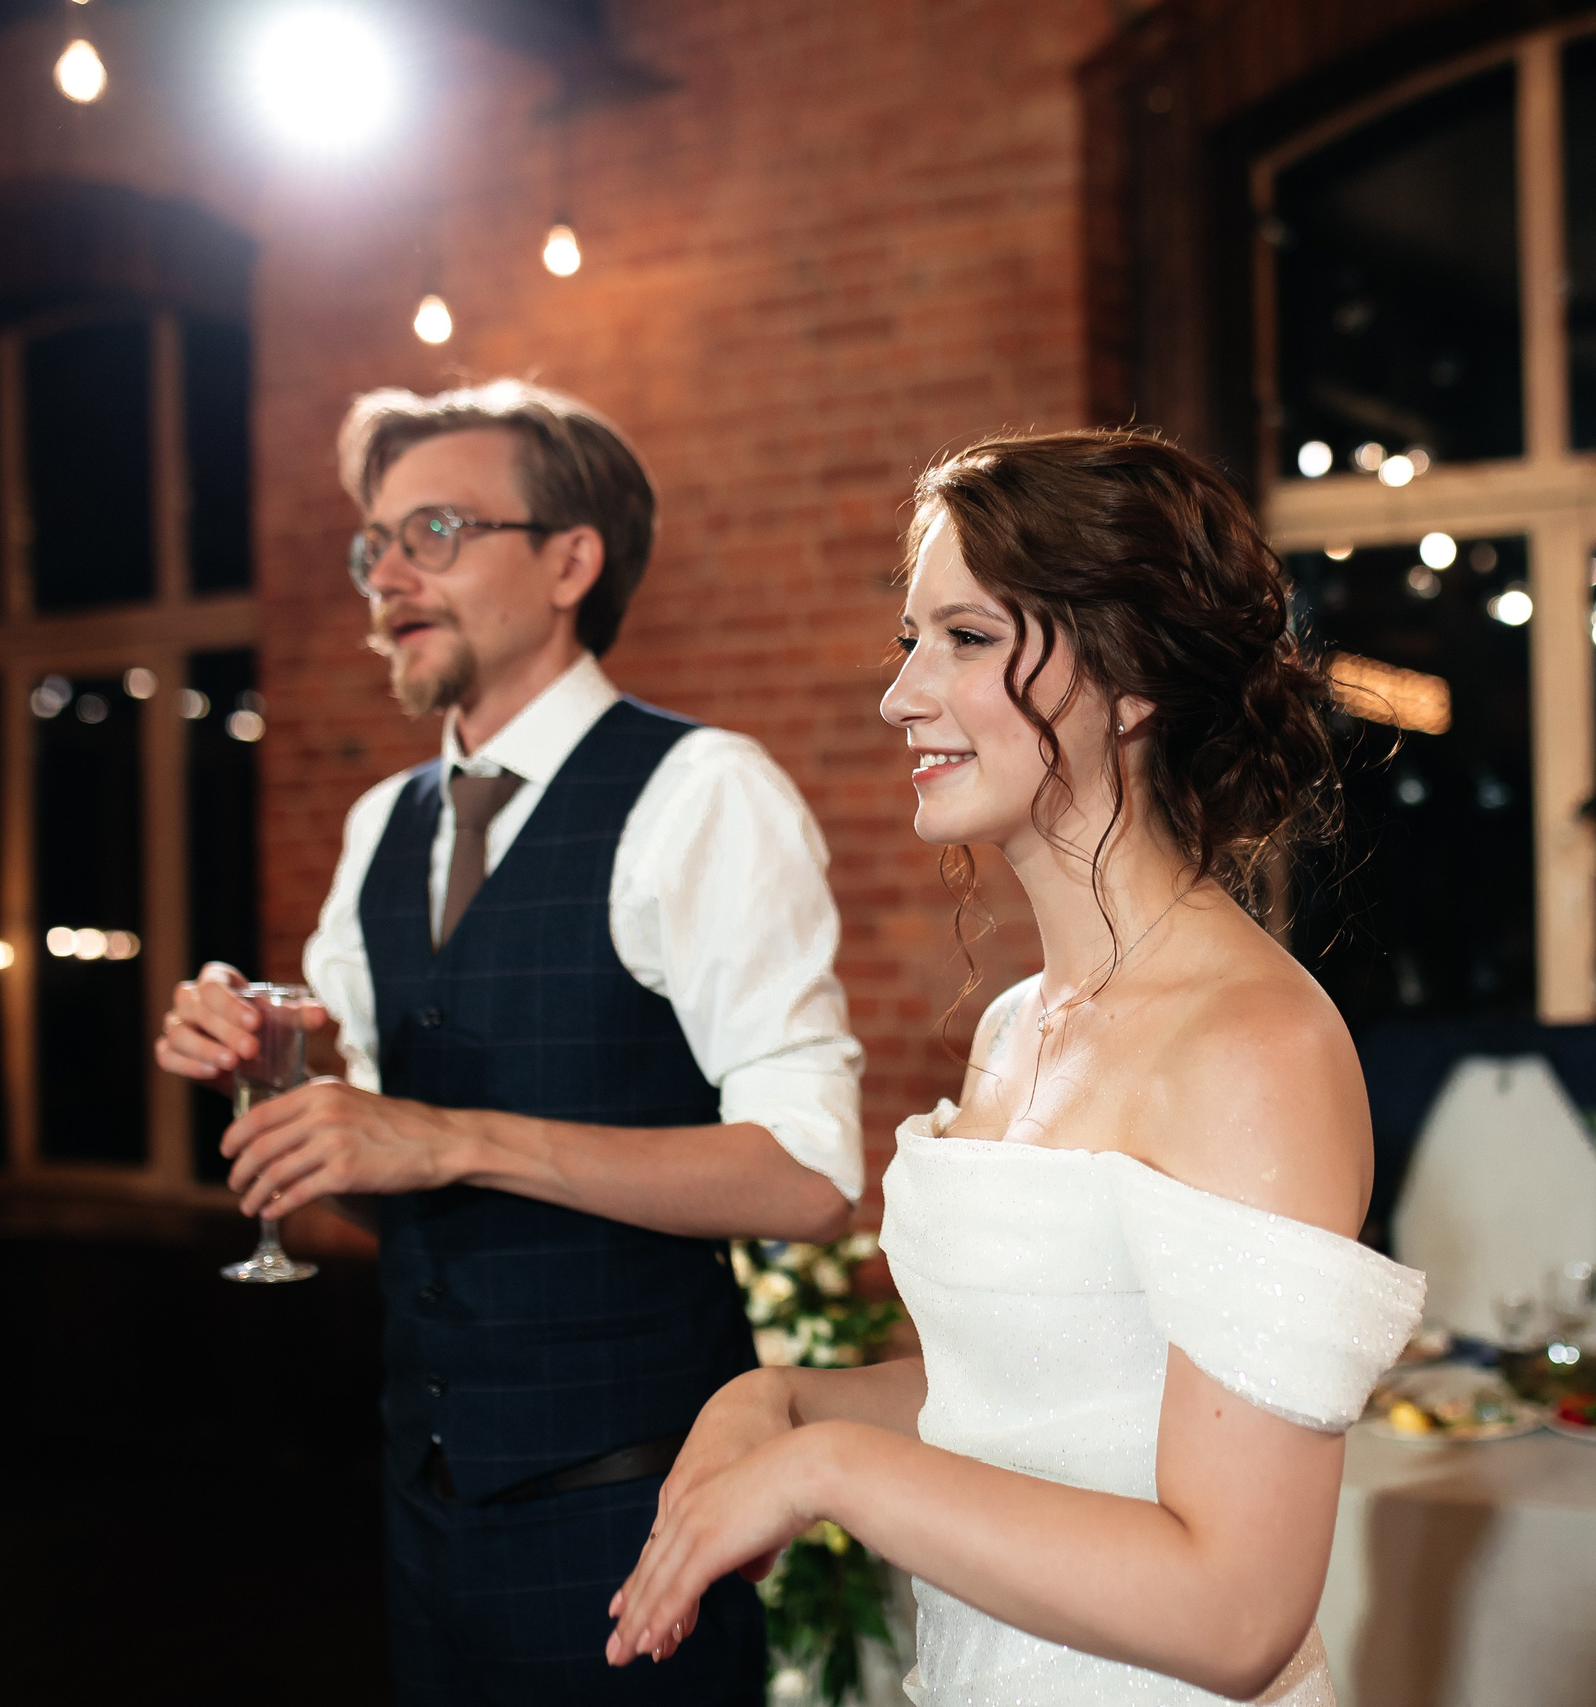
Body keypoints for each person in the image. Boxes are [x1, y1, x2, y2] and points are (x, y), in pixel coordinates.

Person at [604, 429, 1426, 1702]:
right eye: (910, 640)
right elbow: (1038, 1404)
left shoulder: (1251, 1046)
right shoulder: (1011, 1025)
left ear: (1132, 680)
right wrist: (786, 1402)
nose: (901, 695)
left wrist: (830, 1472)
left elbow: (1238, 1613)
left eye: (967, 638)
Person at [153, 379, 862, 1706]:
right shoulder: (383, 823)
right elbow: (388, 1180)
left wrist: (452, 1137)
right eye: (374, 545)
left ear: (569, 562)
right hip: (424, 1514)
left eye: (434, 531)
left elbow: (809, 1180)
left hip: (638, 1519)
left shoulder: (701, 793)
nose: (386, 578)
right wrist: (288, 1087)